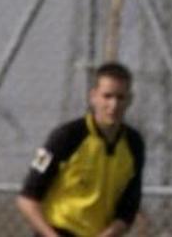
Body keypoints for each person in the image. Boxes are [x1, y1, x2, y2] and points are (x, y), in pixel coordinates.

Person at [16, 62, 144, 237]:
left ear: (130, 100)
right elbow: (27, 200)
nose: (113, 105)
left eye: (120, 97)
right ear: (93, 97)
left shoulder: (134, 144)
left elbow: (128, 209)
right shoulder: (66, 136)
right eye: (107, 96)